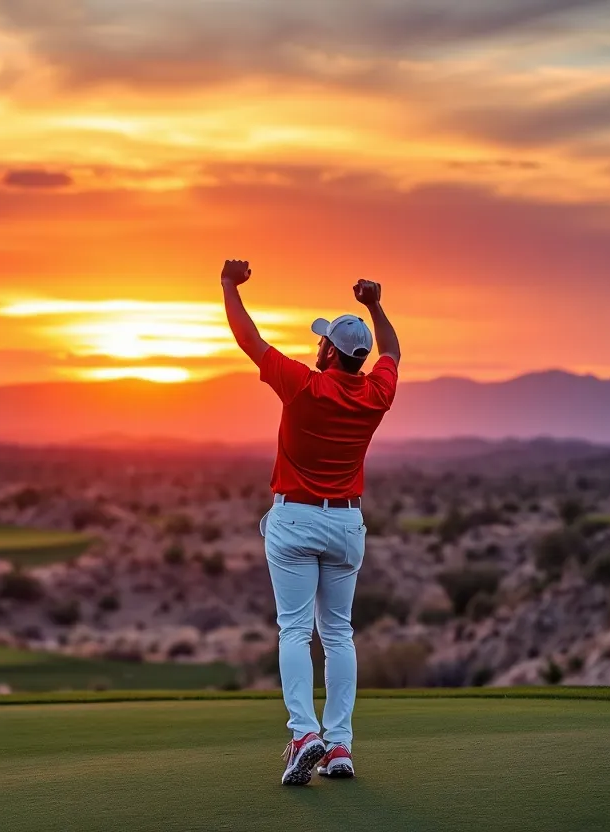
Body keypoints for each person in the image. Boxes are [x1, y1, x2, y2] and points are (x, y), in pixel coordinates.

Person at [220, 259, 401, 786]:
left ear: (328, 352)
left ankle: (305, 735)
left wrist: (229, 285)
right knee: (339, 633)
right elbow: (391, 350)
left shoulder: (303, 385)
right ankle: (339, 746)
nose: (316, 346)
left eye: (322, 341)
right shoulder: (376, 394)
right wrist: (375, 305)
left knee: (295, 631)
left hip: (295, 519)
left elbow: (247, 338)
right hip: (346, 525)